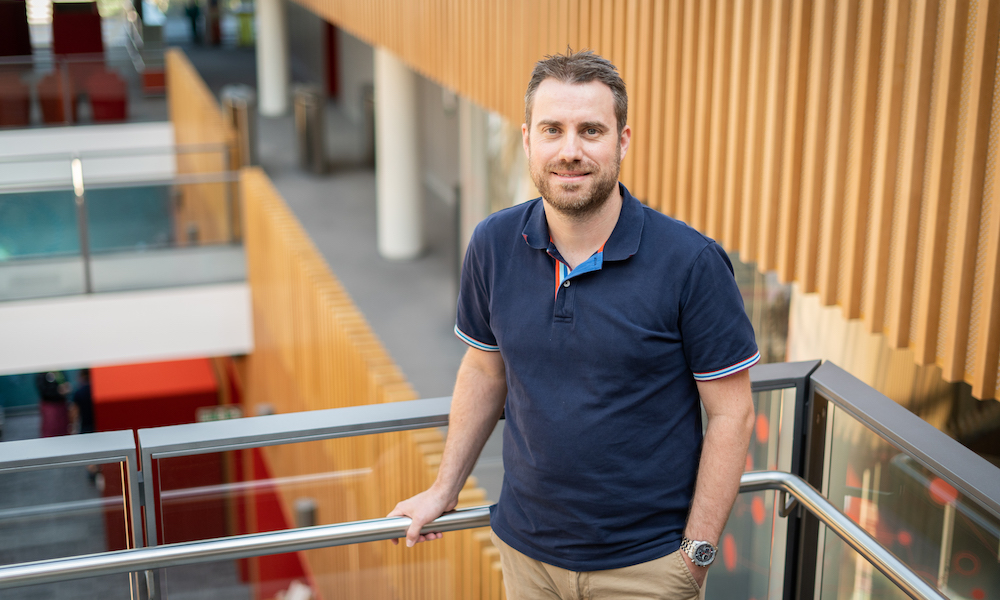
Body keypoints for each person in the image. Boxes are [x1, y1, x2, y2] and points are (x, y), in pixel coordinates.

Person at [390, 50, 758, 599]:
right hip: (525, 557)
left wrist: (696, 556)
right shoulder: (492, 244)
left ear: (623, 140)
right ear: (527, 140)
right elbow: (486, 373)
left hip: (646, 569)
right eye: (552, 130)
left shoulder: (690, 263)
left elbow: (733, 412)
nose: (570, 151)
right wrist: (445, 488)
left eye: (591, 130)